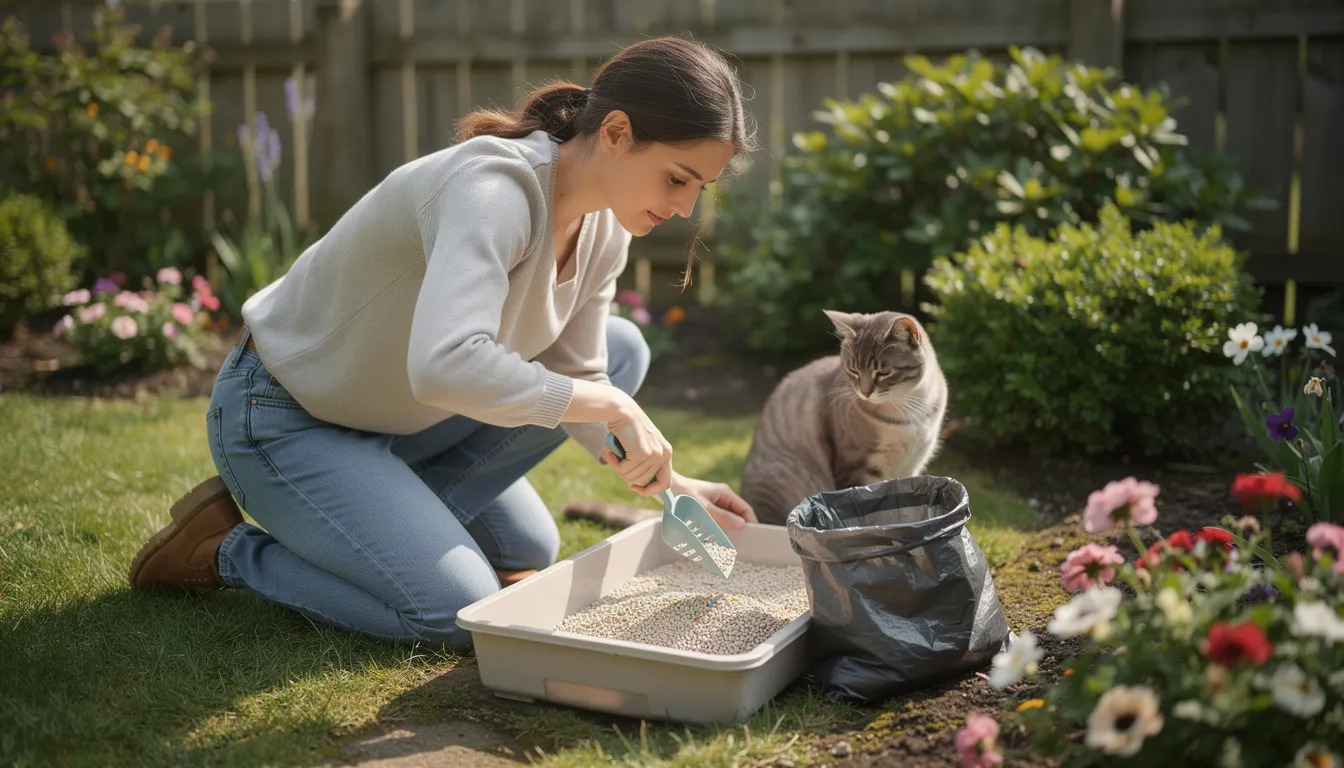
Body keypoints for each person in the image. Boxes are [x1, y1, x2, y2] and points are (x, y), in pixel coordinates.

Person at [127, 36, 760, 649]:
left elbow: (581, 369)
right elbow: (445, 366)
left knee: (530, 539)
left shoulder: (606, 232)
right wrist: (613, 407)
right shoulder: (493, 190)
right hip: (285, 414)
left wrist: (676, 486)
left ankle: (384, 517)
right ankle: (224, 551)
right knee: (452, 611)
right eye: (678, 179)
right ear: (617, 134)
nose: (684, 209)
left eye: (699, 189)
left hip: (398, 419)